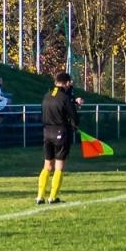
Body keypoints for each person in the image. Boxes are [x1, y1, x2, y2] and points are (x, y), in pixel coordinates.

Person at [37, 71, 82, 204]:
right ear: (67, 83)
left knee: (47, 165)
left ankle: (40, 196)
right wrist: (76, 107)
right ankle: (53, 197)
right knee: (59, 166)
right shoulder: (65, 97)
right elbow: (74, 117)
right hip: (60, 132)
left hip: (46, 132)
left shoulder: (46, 96)